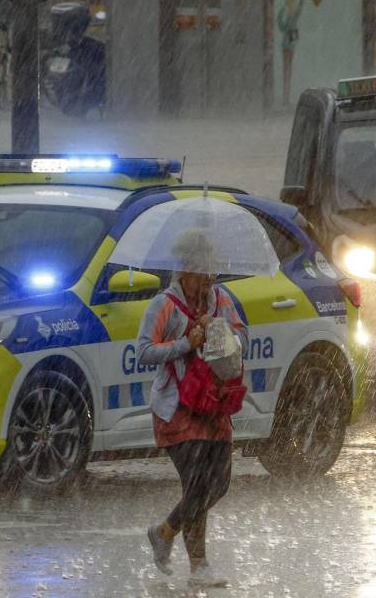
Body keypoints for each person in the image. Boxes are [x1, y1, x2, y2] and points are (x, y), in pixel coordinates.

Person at [138, 231, 248, 587]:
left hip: (214, 403)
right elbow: (144, 351)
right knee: (197, 483)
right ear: (184, 270)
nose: (209, 279)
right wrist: (186, 342)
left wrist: (216, 331)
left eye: (212, 271)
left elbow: (242, 337)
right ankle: (199, 567)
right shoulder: (164, 306)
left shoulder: (221, 301)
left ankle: (165, 532)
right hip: (178, 408)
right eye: (202, 271)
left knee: (219, 484)